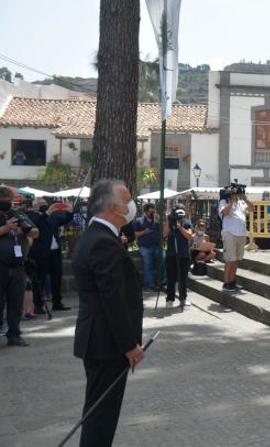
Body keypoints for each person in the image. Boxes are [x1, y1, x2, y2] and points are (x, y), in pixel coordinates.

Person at [72, 179, 144, 446]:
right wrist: (130, 346)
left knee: (97, 413)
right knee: (101, 417)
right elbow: (112, 299)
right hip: (107, 344)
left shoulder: (97, 237)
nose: (131, 205)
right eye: (127, 199)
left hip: (100, 341)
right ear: (115, 207)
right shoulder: (103, 242)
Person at [0, 185, 40, 346]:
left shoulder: (18, 214)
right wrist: (6, 228)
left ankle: (14, 334)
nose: (6, 203)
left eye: (8, 200)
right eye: (3, 201)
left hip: (18, 265)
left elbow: (36, 232)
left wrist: (25, 232)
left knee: (16, 302)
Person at [28, 198, 73, 312]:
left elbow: (64, 219)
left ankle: (57, 302)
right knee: (40, 279)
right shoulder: (32, 215)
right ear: (35, 206)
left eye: (45, 204)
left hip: (55, 252)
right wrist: (46, 212)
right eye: (41, 204)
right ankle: (38, 305)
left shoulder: (53, 217)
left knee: (56, 278)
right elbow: (35, 224)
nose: (44, 206)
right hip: (41, 253)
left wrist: (70, 211)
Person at [219, 189, 252, 292]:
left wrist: (245, 199)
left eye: (237, 193)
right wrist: (232, 201)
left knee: (237, 259)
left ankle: (232, 281)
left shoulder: (241, 202)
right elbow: (225, 212)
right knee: (230, 259)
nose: (236, 195)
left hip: (241, 234)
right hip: (230, 234)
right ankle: (226, 283)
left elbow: (251, 209)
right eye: (233, 193)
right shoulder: (224, 202)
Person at [164, 206, 194, 307]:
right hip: (171, 254)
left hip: (183, 254)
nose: (179, 217)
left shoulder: (186, 222)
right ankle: (170, 299)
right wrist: (169, 221)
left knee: (183, 278)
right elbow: (164, 234)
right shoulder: (170, 222)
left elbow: (189, 236)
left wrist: (180, 227)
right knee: (171, 277)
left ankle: (183, 298)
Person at [134, 203, 160, 291]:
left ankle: (162, 281)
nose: (152, 213)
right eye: (150, 211)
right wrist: (144, 232)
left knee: (163, 259)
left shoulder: (156, 220)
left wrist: (159, 222)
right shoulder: (139, 221)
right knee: (148, 264)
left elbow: (162, 231)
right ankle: (150, 285)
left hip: (156, 246)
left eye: (153, 210)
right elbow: (134, 234)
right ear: (145, 211)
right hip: (145, 247)